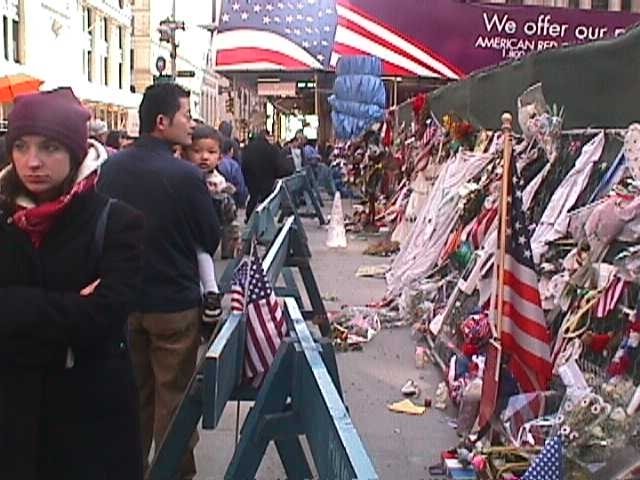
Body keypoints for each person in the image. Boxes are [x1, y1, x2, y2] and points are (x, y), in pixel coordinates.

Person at [0, 88, 144, 479]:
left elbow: (104, 316)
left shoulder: (117, 222)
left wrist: (14, 306)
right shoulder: (5, 220)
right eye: (22, 146)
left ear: (76, 152)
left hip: (91, 426)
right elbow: (85, 316)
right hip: (12, 423)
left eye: (50, 147)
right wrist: (68, 308)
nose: (33, 161)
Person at [99, 83, 220, 480]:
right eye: (186, 115)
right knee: (174, 403)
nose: (192, 124)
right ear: (162, 121)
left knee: (134, 399)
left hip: (125, 303)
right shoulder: (186, 175)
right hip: (174, 306)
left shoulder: (111, 169)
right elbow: (210, 237)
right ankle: (172, 473)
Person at [182, 124, 233, 316]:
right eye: (197, 151)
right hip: (198, 232)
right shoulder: (190, 176)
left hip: (202, 233)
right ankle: (208, 293)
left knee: (202, 254)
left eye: (211, 152)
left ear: (220, 156)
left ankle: (210, 292)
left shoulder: (216, 181)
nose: (204, 157)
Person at [242, 129, 280, 219]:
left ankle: (249, 216)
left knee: (253, 197)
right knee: (265, 199)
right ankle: (264, 219)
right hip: (267, 179)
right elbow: (276, 164)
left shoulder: (249, 147)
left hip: (252, 177)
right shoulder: (271, 148)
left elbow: (244, 162)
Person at [218, 136, 248, 207]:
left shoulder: (216, 162)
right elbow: (240, 187)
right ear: (231, 150)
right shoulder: (233, 165)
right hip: (231, 202)